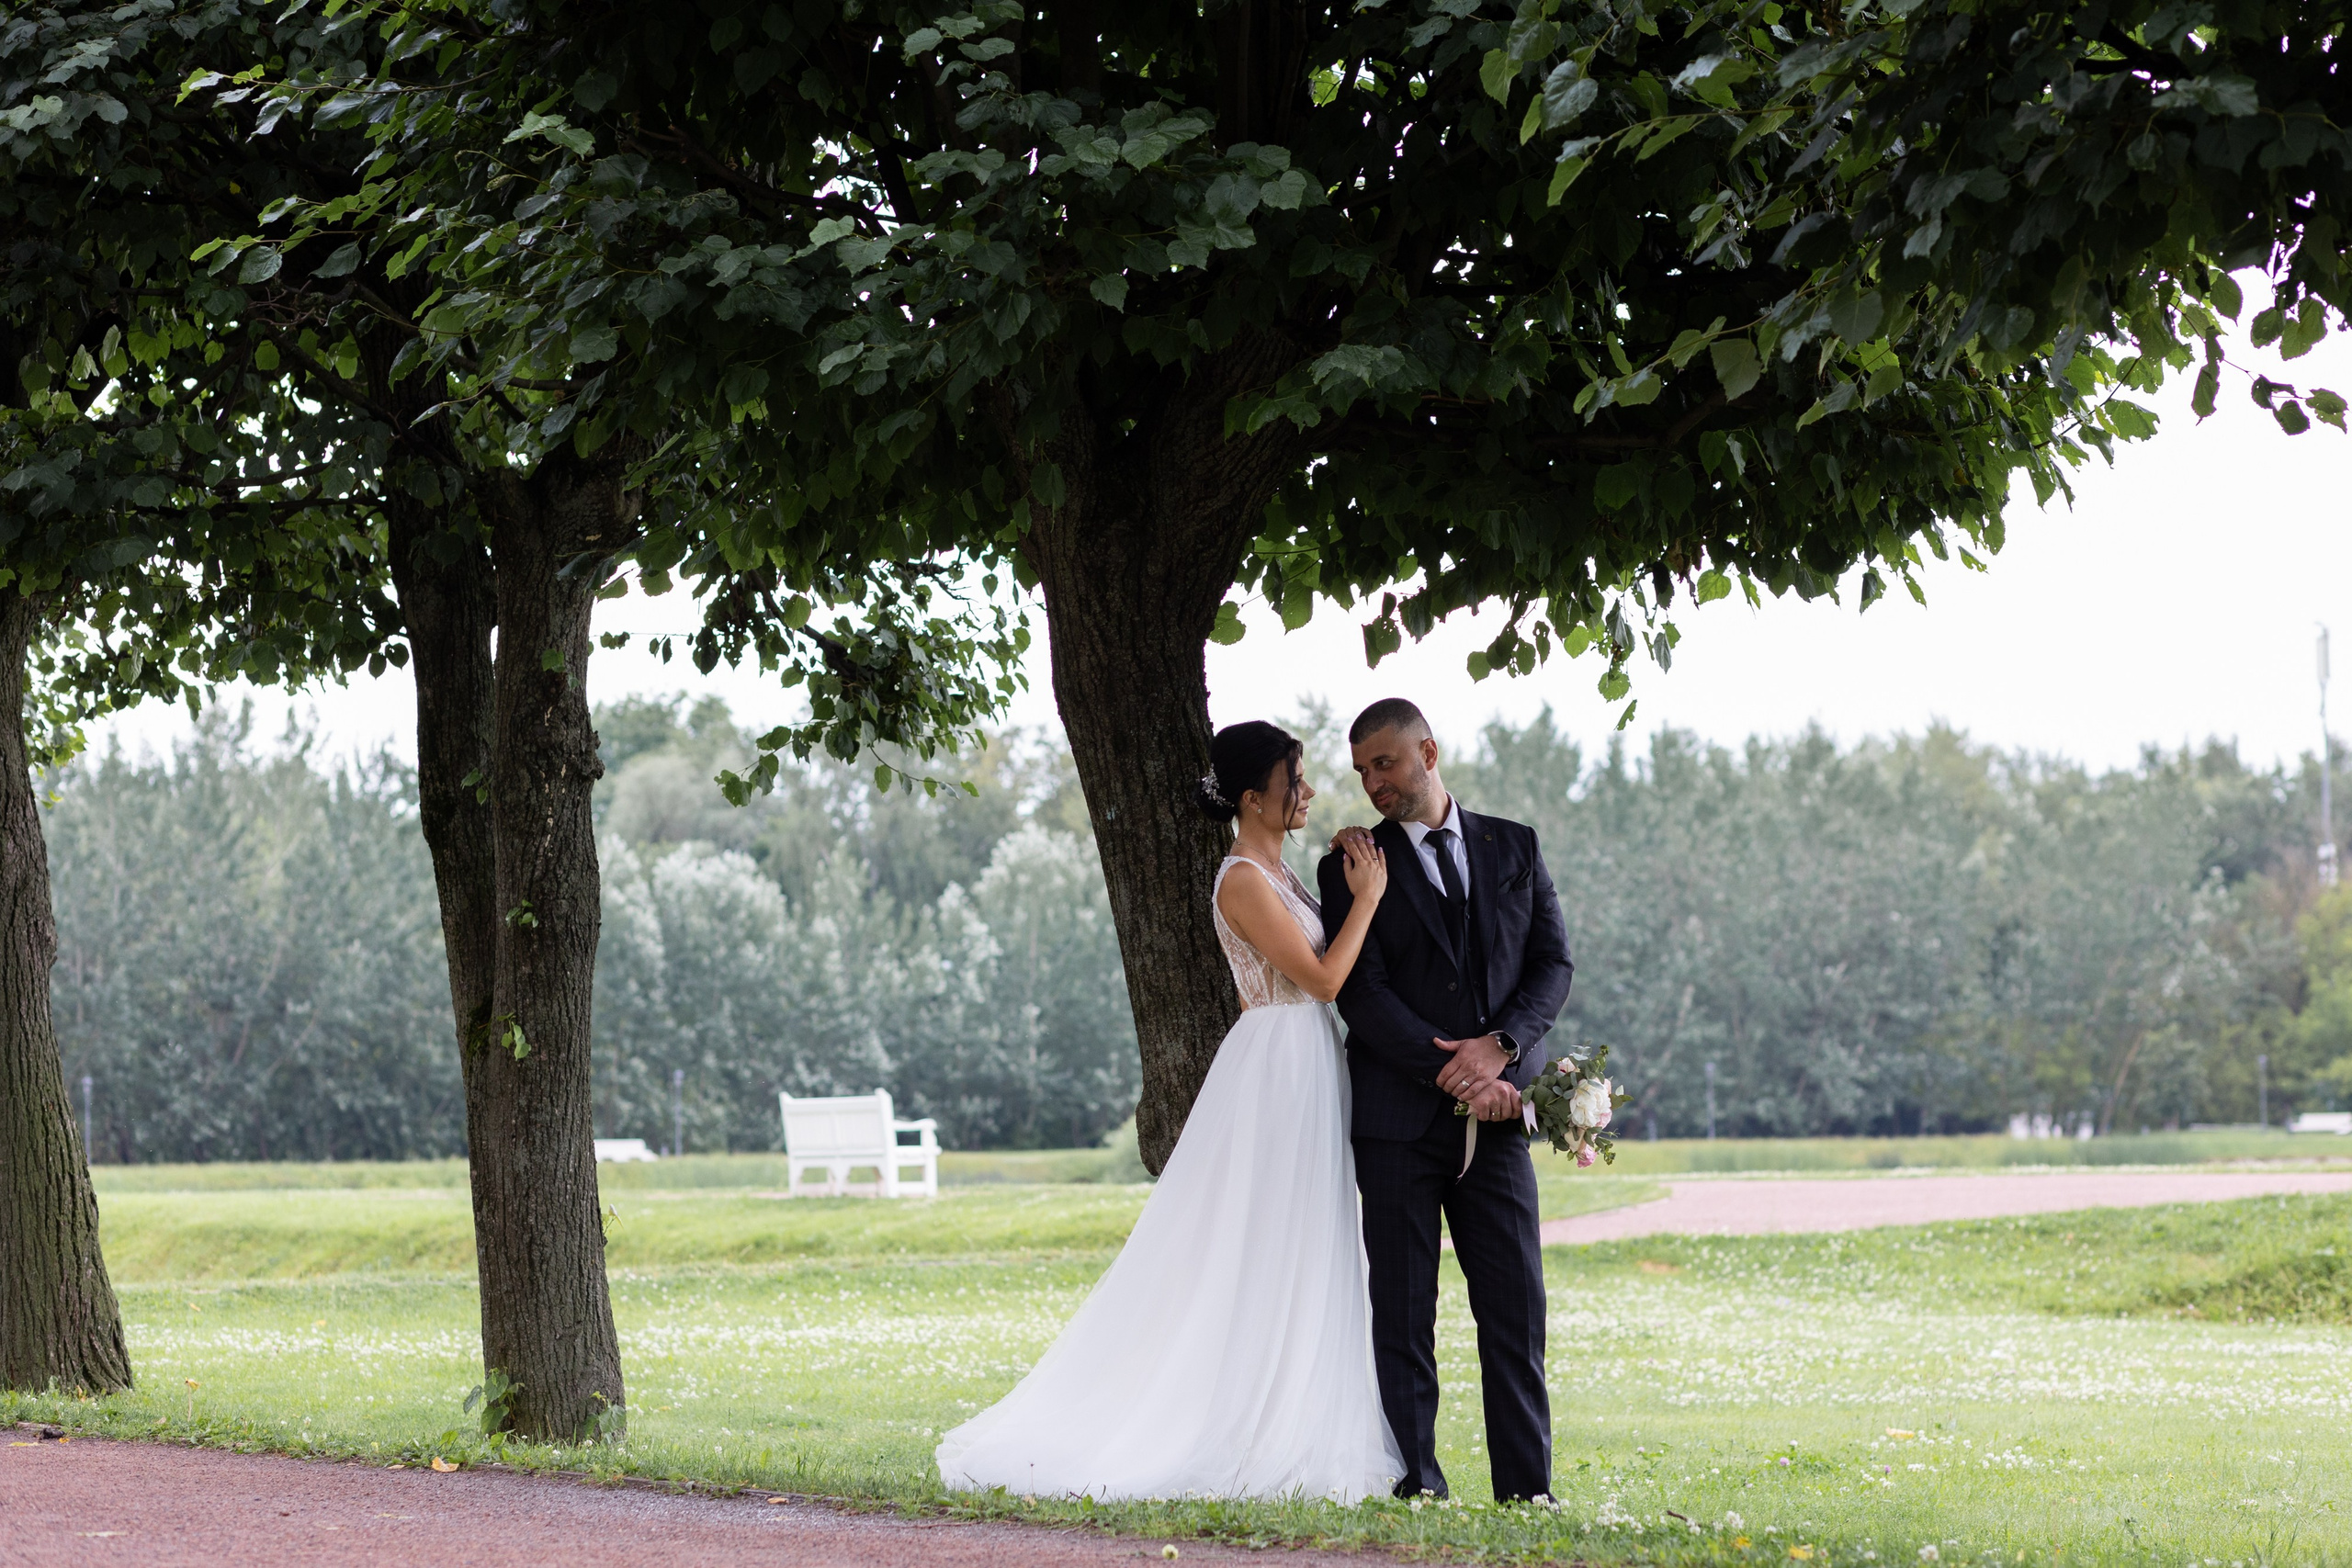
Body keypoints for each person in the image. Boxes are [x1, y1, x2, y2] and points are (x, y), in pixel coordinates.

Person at [935, 720, 1405, 1500]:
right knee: (1265, 1240)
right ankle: (1246, 1425)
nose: (1309, 791)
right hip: (1279, 1065)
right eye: (1294, 779)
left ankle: (1294, 1413)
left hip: (1310, 1059)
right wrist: (1369, 900)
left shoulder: (1282, 872)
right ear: (1252, 797)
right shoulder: (1242, 879)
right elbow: (1322, 980)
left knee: (1307, 1234)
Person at [1319, 697, 1574, 1503]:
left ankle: (1527, 1492)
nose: (1373, 783)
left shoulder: (1515, 845)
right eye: (1362, 770)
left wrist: (1501, 1049)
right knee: (1402, 1311)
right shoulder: (1348, 867)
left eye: (1385, 763)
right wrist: (1454, 1070)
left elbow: (1553, 965)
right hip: (1397, 1124)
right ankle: (1417, 1482)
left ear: (1427, 752)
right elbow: (1361, 992)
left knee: (1516, 1308)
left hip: (1498, 1120)